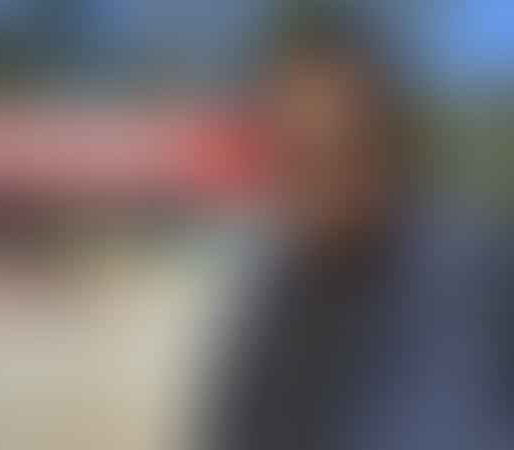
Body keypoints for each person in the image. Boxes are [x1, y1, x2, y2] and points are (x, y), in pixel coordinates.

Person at [208, 10, 513, 450]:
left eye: (343, 147)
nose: (323, 179)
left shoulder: (476, 282)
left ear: (388, 142)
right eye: (300, 155)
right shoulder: (274, 302)